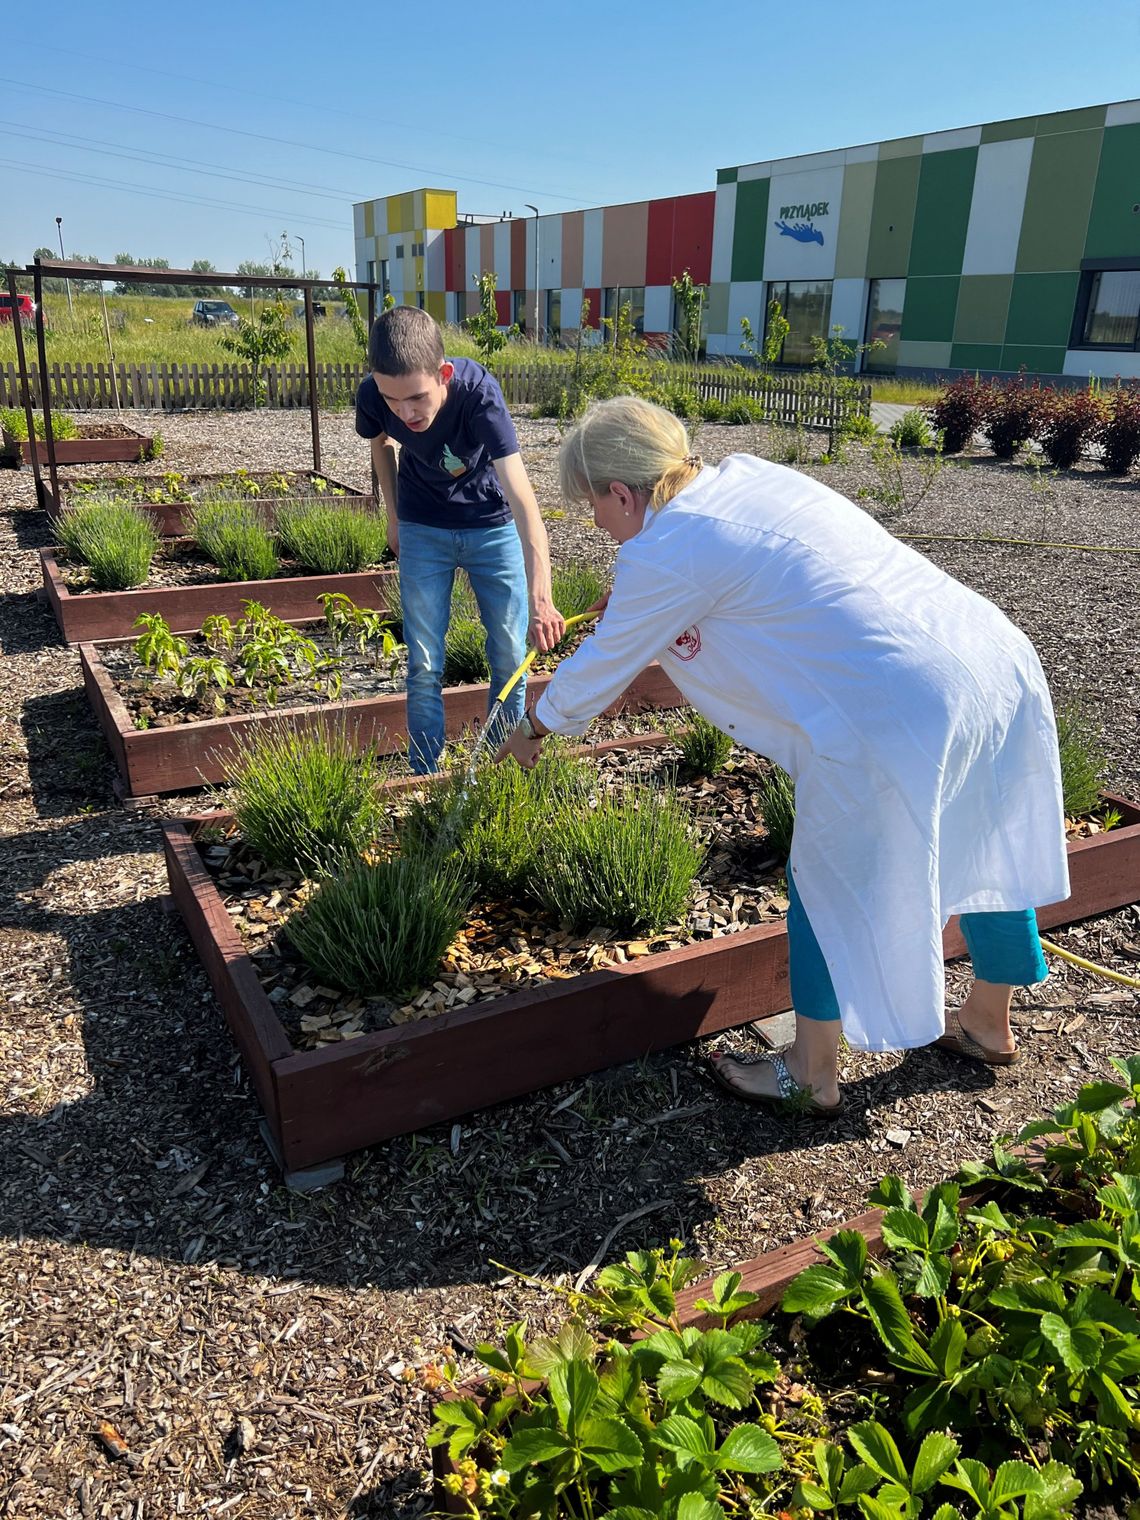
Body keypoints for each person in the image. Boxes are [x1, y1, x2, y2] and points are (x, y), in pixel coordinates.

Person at [498, 396, 1070, 1117]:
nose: (596, 525)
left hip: (899, 703)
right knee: (984, 831)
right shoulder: (745, 476)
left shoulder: (665, 548)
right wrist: (646, 595)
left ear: (621, 492)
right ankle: (988, 1021)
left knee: (828, 880)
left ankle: (811, 1071)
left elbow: (602, 665)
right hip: (988, 653)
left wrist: (535, 730)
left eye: (592, 507)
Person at [355, 306, 564, 773]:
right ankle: (423, 774)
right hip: (421, 524)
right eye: (392, 401)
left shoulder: (478, 396)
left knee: (510, 654)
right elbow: (381, 447)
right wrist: (393, 517)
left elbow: (523, 499)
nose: (405, 413)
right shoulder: (374, 394)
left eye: (416, 398)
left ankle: (497, 769)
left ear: (443, 373)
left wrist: (542, 597)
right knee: (424, 662)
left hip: (490, 524)